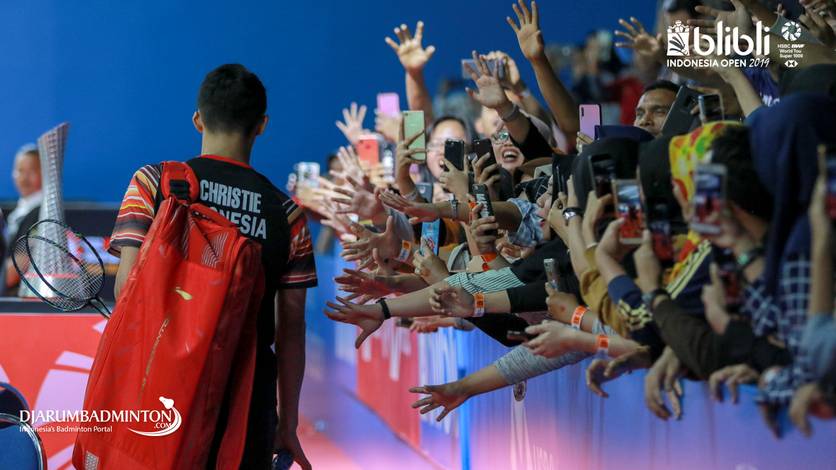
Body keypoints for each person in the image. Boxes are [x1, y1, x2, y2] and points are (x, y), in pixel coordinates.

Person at [108, 64, 316, 469]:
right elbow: (291, 327)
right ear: (261, 126)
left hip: (157, 396)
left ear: (198, 119)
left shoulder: (154, 183)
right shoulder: (287, 214)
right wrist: (287, 423)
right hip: (247, 407)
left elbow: (125, 292)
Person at [2, 144, 42, 296]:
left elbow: (14, 271)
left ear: (45, 173)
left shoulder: (42, 214)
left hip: (22, 305)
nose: (24, 178)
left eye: (31, 171)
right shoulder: (17, 212)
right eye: (20, 171)